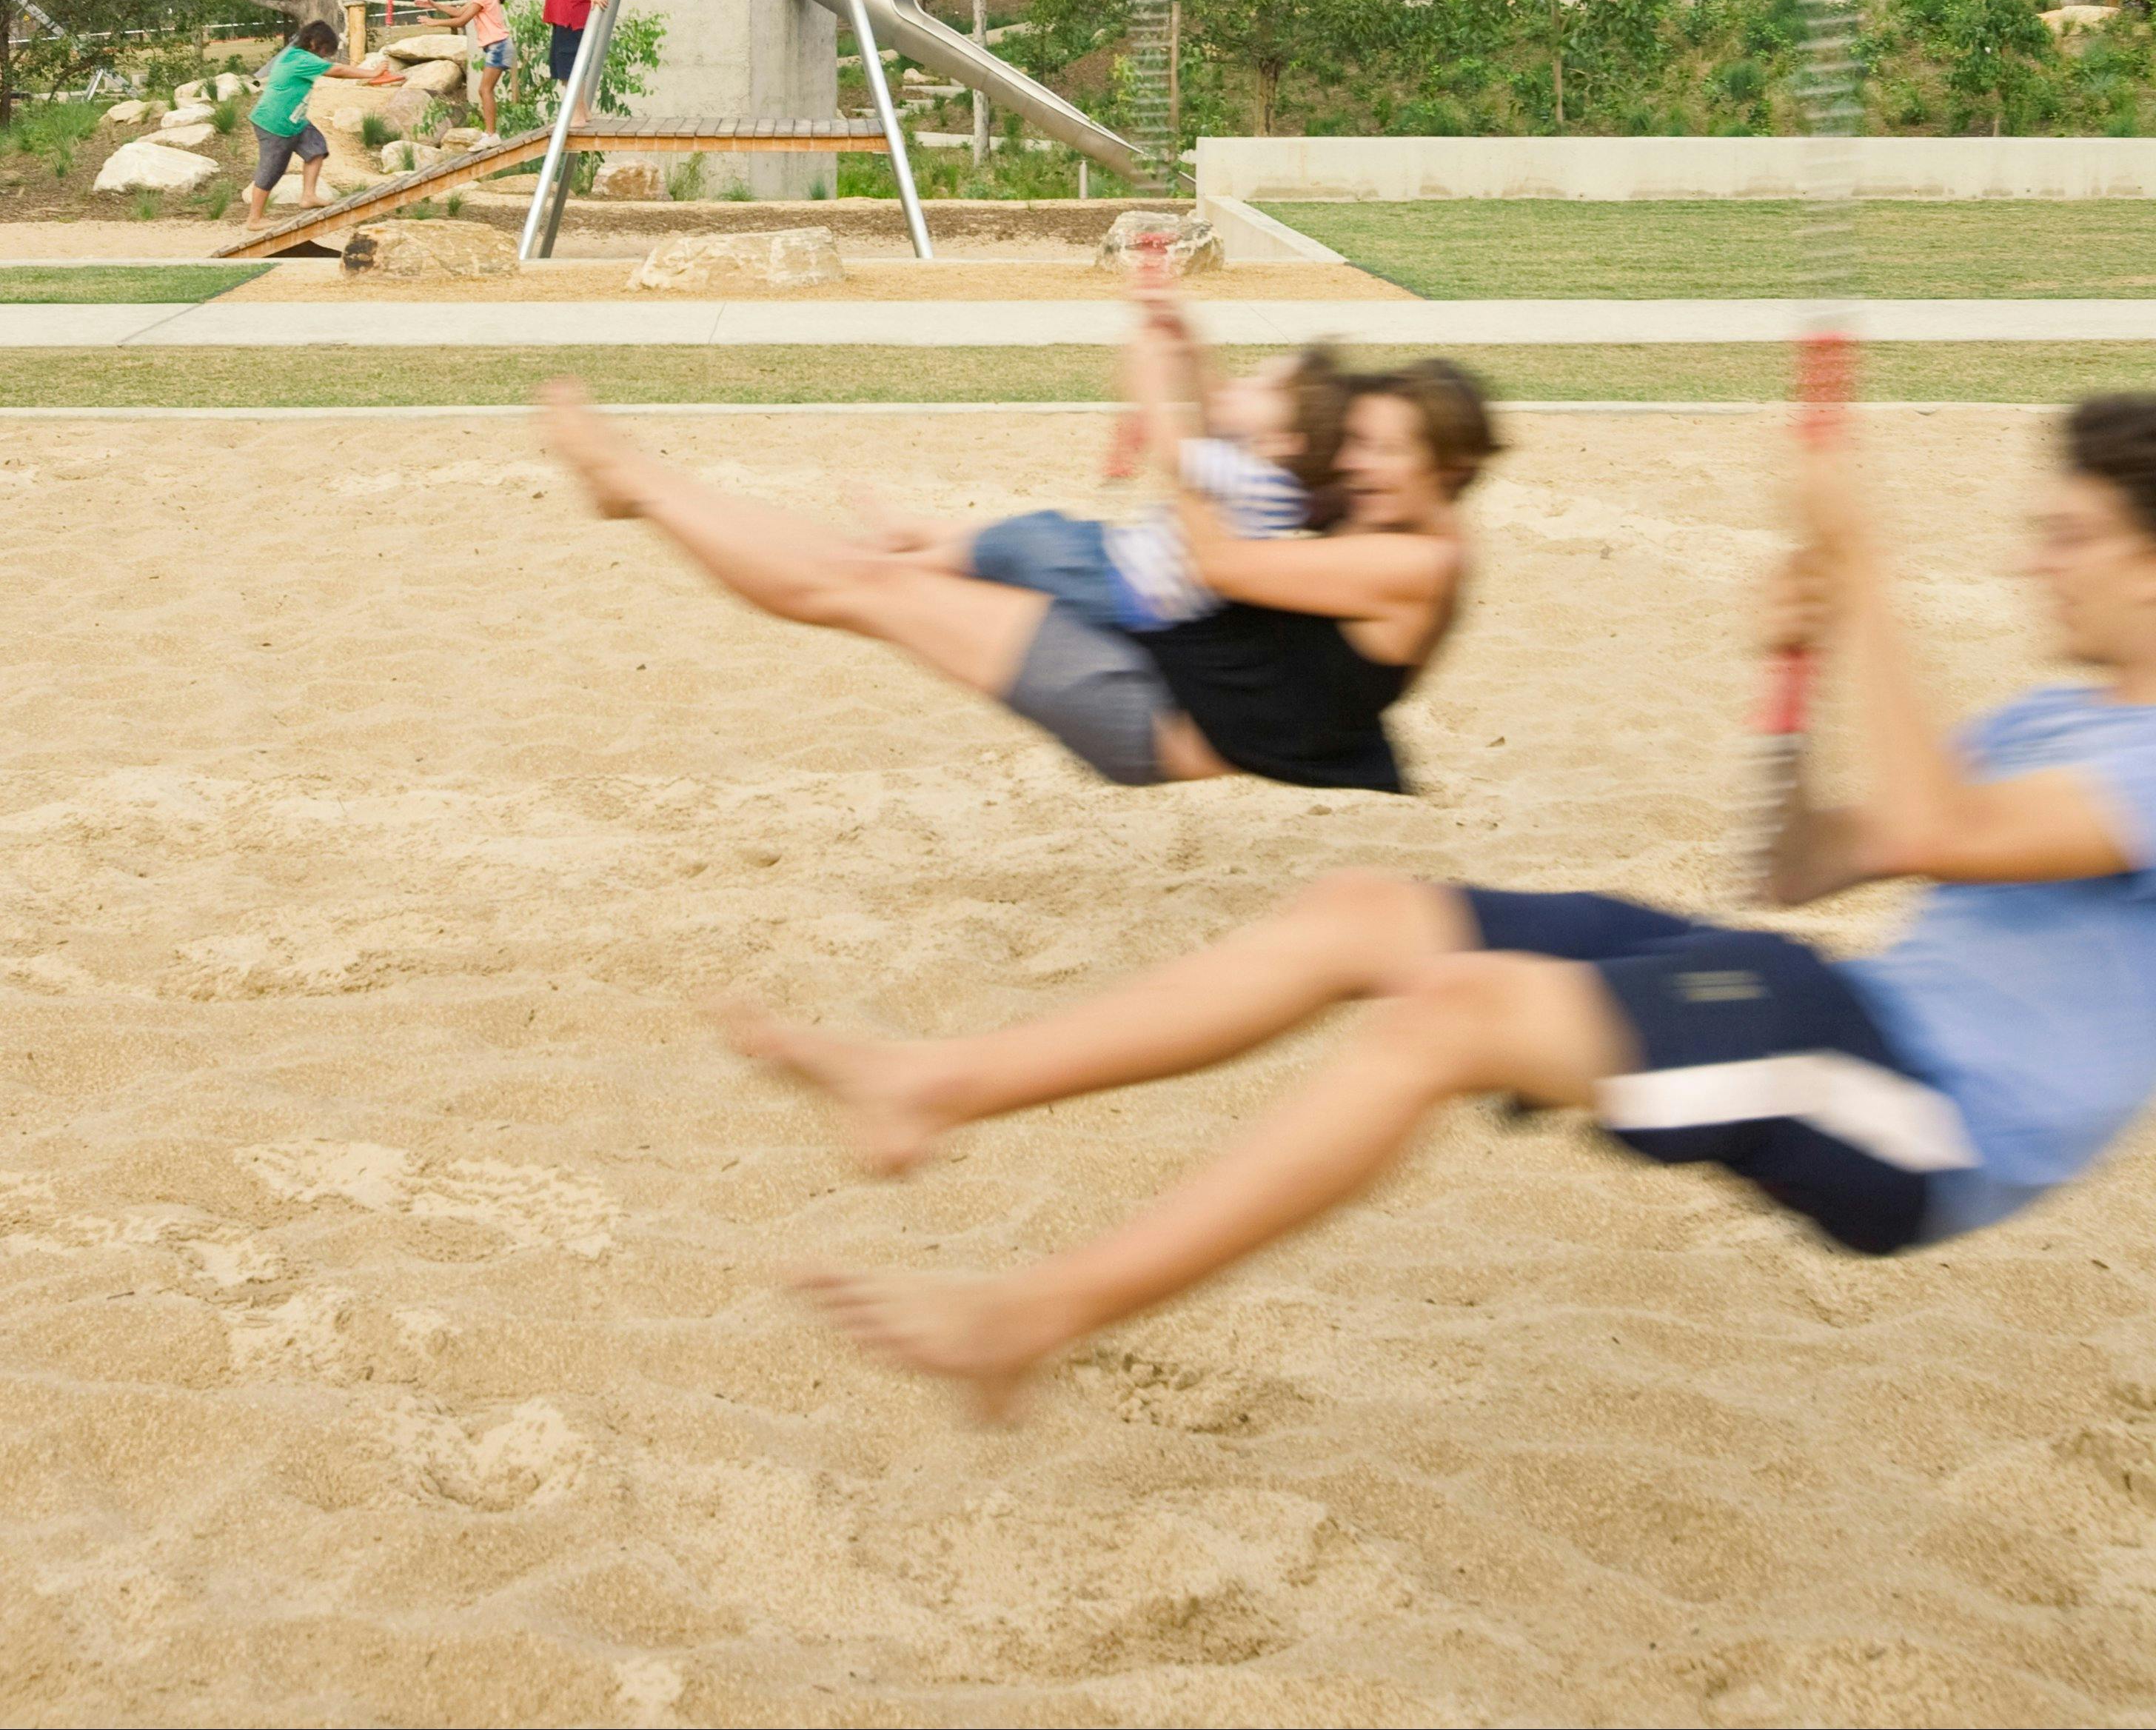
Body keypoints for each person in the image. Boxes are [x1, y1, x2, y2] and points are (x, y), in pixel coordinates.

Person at [730, 395, 2156, 1423]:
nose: (2038, 559)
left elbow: (1932, 827)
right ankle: (932, 1084)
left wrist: (1865, 589)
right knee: (1367, 915)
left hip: (1925, 1116)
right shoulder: (2056, 717)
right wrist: (1802, 672)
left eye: (2069, 537)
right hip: (1837, 996)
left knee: (1452, 1018)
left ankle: (1031, 1316)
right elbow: (1808, 865)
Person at [540, 345, 1494, 794]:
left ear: (1447, 468)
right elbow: (1280, 433)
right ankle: (639, 486)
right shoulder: (1386, 523)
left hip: (1141, 708)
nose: (1359, 463)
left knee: (865, 586)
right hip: (1145, 659)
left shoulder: (1412, 563)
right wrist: (1177, 340)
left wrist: (1173, 427)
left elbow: (1216, 555)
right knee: (871, 574)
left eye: (1387, 450)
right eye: (1360, 444)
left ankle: (635, 483)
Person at [859, 300, 1352, 635]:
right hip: (1123, 564)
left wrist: (1148, 378)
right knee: (1033, 534)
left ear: (1284, 440)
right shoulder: (1268, 471)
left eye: (1260, 387)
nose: (1240, 384)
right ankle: (915, 533)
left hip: (1127, 588)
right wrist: (1187, 338)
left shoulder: (1254, 479)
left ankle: (895, 568)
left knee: (1025, 546)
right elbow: (1217, 399)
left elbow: (1175, 449)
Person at [240, 21, 399, 232]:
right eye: (325, 50)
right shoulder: (300, 59)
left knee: (316, 149)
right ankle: (254, 219)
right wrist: (373, 73)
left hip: (295, 120)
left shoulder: (296, 55)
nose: (325, 55)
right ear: (314, 43)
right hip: (275, 123)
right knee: (271, 170)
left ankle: (308, 196)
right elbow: (339, 70)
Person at [418, 0, 514, 138]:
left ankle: (491, 135)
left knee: (485, 90)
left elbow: (462, 20)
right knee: (485, 90)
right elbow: (458, 12)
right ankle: (491, 134)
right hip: (499, 46)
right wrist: (435, 5)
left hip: (498, 46)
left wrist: (434, 22)